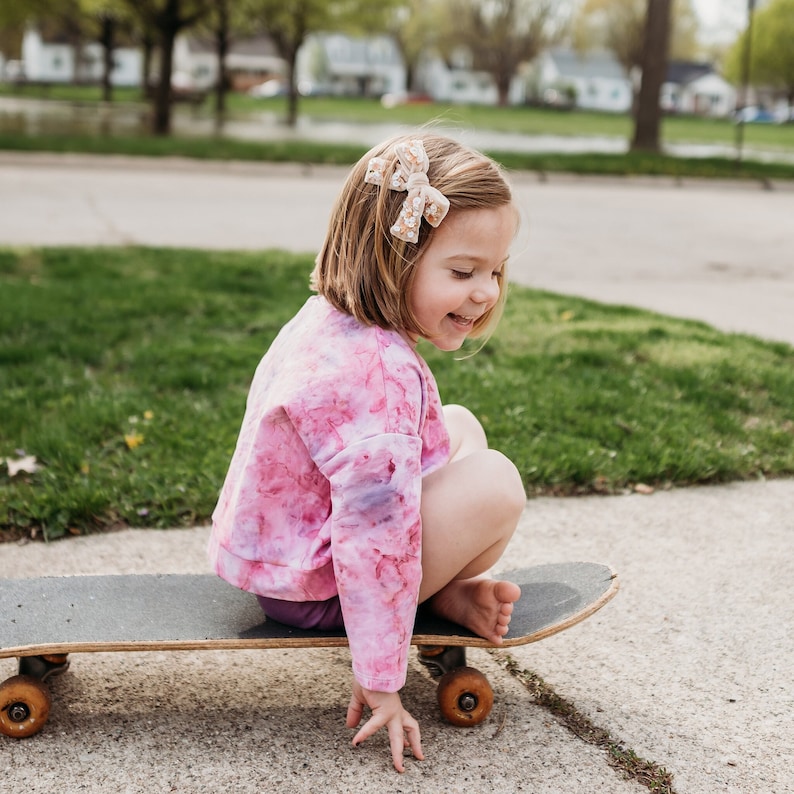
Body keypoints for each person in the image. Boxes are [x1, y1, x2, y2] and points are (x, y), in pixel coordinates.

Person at [208, 133, 526, 772]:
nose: (486, 291)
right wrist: (381, 676)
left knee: (459, 426)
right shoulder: (374, 376)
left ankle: (443, 594)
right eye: (462, 272)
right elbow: (374, 537)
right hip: (318, 587)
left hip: (284, 549)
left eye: (495, 269)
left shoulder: (329, 315)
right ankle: (422, 602)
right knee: (494, 483)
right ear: (390, 260)